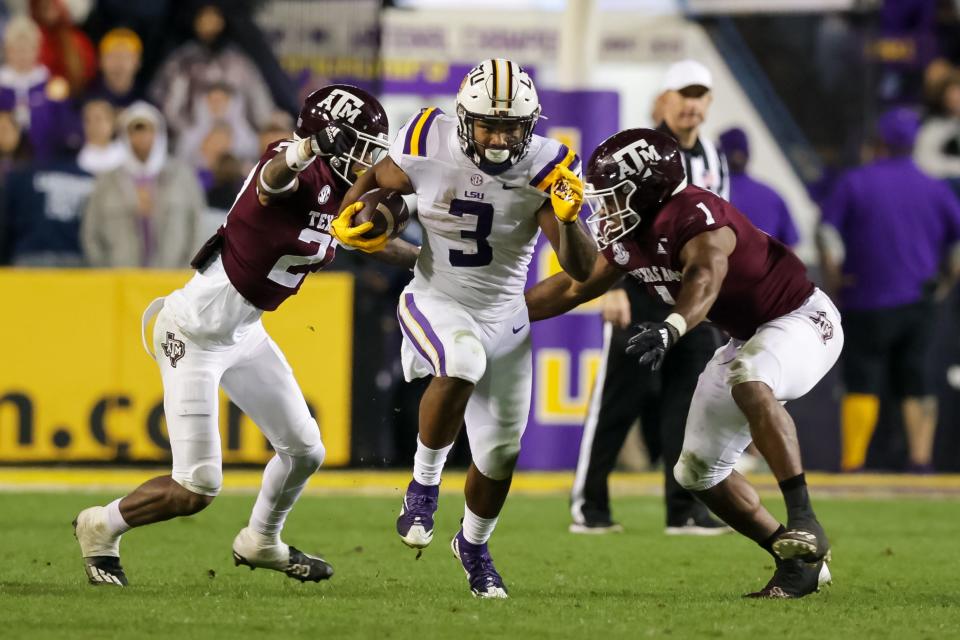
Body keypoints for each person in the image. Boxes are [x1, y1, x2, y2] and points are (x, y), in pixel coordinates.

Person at [72, 84, 418, 586]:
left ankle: (261, 540)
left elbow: (367, 240)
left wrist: (429, 261)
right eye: (359, 144)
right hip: (193, 331)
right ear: (327, 138)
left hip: (243, 331)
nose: (367, 159)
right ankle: (100, 526)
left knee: (306, 450)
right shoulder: (290, 164)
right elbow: (271, 184)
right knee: (198, 485)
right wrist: (308, 149)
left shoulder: (341, 190)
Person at [527, 128, 842, 599]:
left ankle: (805, 519)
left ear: (647, 188)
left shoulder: (694, 213)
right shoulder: (632, 232)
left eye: (613, 197)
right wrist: (502, 314)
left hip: (802, 317)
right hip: (749, 335)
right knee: (694, 473)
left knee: (750, 378)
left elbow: (705, 276)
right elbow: (576, 286)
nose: (605, 210)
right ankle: (794, 558)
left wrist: (671, 326)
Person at [331, 59, 597, 598]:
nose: (499, 139)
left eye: (511, 128)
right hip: (436, 296)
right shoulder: (426, 138)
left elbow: (584, 271)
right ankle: (423, 486)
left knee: (500, 454)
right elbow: (376, 184)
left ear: (531, 125)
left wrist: (569, 221)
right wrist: (351, 216)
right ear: (462, 118)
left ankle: (473, 545)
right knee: (462, 361)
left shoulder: (547, 164)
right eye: (488, 125)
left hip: (505, 317)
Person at [569, 59, 728, 536]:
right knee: (618, 402)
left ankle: (683, 509)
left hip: (687, 298)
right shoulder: (636, 150)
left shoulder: (713, 156)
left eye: (700, 95)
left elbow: (719, 232)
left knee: (689, 404)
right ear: (663, 99)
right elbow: (608, 221)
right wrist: (612, 287)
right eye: (684, 94)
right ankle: (590, 507)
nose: (692, 105)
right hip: (637, 287)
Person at [819, 107, 960, 473]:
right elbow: (958, 245)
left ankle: (854, 462)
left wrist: (834, 279)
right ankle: (920, 461)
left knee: (861, 380)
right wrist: (947, 280)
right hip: (919, 300)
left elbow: (827, 234)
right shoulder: (935, 187)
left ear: (880, 140)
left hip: (866, 298)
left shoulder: (856, 181)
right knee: (917, 380)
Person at [81, 102, 206, 268]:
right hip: (120, 284)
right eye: (135, 131)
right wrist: (105, 275)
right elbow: (91, 234)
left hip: (173, 282)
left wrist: (189, 276)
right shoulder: (107, 182)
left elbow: (198, 228)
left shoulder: (182, 178)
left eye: (147, 130)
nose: (141, 138)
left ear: (158, 133)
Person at [148, 3, 275, 140]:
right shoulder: (181, 62)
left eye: (214, 18)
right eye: (204, 18)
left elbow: (260, 105)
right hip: (190, 142)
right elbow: (169, 108)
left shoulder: (238, 62)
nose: (209, 24)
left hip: (237, 142)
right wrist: (193, 136)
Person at [718, 127, 799, 248]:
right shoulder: (773, 196)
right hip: (765, 266)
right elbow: (791, 248)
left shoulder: (710, 193)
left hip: (722, 265)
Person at [84, 28, 145, 108]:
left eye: (125, 56)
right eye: (112, 56)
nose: (119, 62)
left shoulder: (145, 104)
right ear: (100, 62)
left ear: (138, 62)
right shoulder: (85, 102)